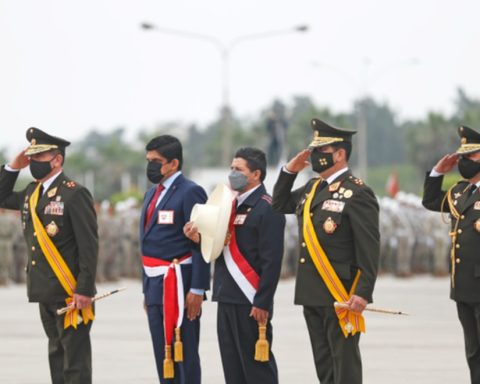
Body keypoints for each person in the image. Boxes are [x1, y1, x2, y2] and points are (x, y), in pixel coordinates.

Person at [271, 118, 380, 384]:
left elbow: (369, 247)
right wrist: (289, 171)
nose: (315, 156)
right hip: (312, 291)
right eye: (314, 150)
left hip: (340, 291)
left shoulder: (357, 192)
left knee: (344, 362)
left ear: (340, 154)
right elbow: (280, 203)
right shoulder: (312, 188)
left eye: (322, 151)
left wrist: (362, 292)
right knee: (323, 362)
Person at [0, 127, 98, 384]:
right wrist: (12, 167)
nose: (33, 163)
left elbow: (88, 246)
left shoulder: (74, 193)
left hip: (70, 291)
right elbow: (1, 197)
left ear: (57, 159)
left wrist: (85, 289)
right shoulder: (32, 193)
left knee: (74, 363)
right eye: (31, 158)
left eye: (39, 158)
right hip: (45, 290)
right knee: (56, 355)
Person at [184, 147, 285, 384]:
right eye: (231, 168)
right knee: (233, 368)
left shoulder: (267, 207)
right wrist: (197, 240)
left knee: (256, 369)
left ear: (256, 174)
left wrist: (262, 301)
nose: (232, 173)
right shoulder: (228, 206)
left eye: (238, 169)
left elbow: (272, 262)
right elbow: (217, 249)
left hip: (251, 300)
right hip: (227, 296)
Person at [140, 135, 210, 383]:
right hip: (155, 286)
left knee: (184, 353)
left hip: (181, 285)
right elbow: (146, 245)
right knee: (162, 354)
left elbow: (202, 241)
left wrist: (198, 288)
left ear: (173, 163)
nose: (150, 166)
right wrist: (146, 290)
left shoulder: (191, 192)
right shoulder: (151, 194)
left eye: (156, 161)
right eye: (148, 160)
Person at [422, 125, 480, 383]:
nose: (464, 162)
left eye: (471, 157)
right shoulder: (460, 191)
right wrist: (437, 173)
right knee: (474, 350)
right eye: (463, 157)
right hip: (464, 286)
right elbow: (431, 201)